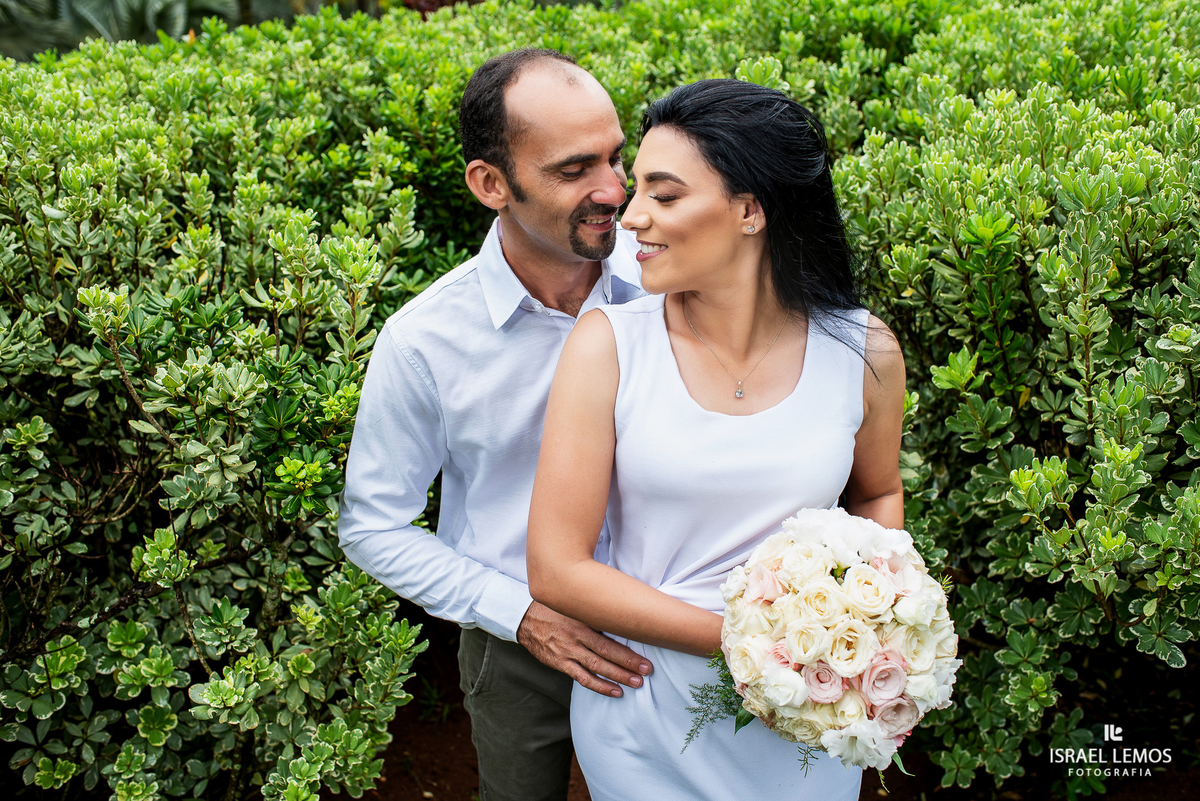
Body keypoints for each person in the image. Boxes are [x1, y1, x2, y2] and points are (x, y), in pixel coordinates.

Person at [526, 79, 906, 799]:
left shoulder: (865, 350)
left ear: (750, 210)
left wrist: (871, 619)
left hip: (809, 714)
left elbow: (878, 490)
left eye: (663, 195)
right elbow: (555, 566)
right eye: (636, 190)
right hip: (647, 710)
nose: (631, 216)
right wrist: (753, 643)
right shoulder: (608, 346)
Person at [338, 49, 653, 801]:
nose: (614, 190)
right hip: (519, 645)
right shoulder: (423, 342)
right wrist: (521, 615)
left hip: (671, 618)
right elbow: (372, 524)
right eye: (575, 169)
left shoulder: (669, 282)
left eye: (617, 156)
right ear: (491, 184)